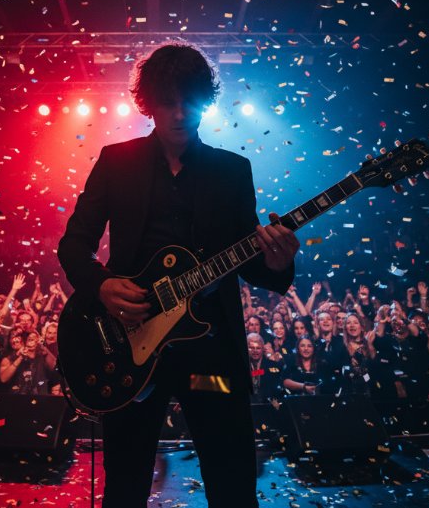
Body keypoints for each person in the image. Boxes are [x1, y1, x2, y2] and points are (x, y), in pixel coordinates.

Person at [57, 42, 298, 508]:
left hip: (212, 354)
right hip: (129, 344)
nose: (180, 112)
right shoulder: (116, 161)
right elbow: (73, 245)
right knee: (125, 484)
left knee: (231, 479)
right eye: (168, 101)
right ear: (148, 104)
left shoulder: (232, 170)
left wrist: (277, 262)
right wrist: (102, 284)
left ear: (206, 100)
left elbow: (247, 261)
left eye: (190, 100)